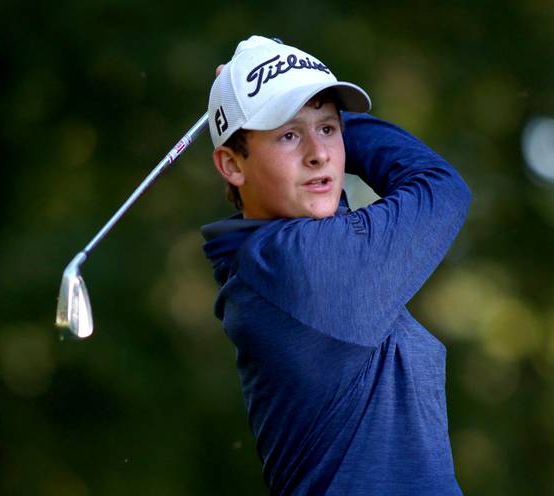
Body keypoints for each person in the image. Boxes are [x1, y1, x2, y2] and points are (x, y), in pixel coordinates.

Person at [201, 36, 471, 495]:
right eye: (288, 134)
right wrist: (337, 116)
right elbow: (440, 187)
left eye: (328, 129)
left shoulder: (264, 261)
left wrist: (298, 96)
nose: (320, 153)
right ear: (232, 164)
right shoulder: (298, 267)